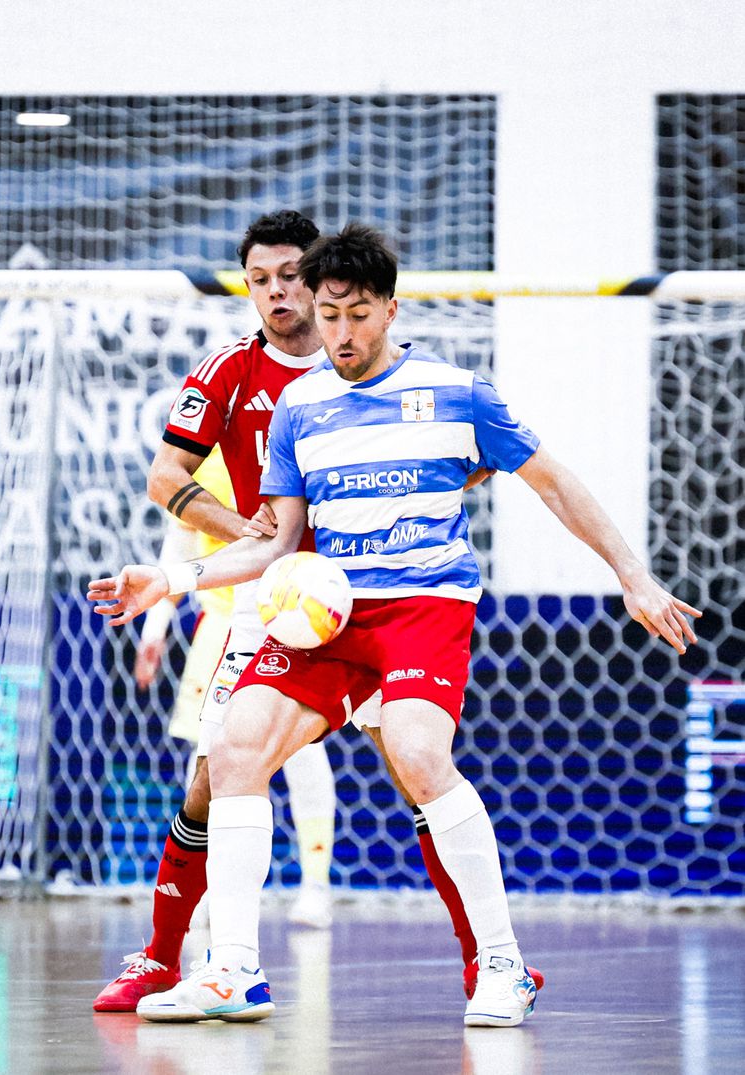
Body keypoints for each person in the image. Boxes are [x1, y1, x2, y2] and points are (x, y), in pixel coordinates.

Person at [89, 223, 701, 1028]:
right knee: (234, 743)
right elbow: (273, 539)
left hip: (422, 608)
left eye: (357, 315)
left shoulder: (458, 392)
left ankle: (501, 962)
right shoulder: (300, 407)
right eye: (330, 314)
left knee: (416, 752)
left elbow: (555, 483)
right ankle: (231, 968)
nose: (340, 333)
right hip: (327, 610)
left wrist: (634, 576)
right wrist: (169, 578)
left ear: (390, 309)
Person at [93, 211, 511, 1013]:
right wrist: (241, 533)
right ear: (247, 286)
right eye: (261, 279)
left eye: (292, 275)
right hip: (278, 595)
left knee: (418, 770)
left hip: (384, 595)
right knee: (218, 767)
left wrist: (428, 493)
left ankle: (486, 963)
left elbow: (476, 455)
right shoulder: (232, 373)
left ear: (324, 282)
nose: (278, 291)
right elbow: (164, 477)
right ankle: (165, 955)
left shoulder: (373, 363)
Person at [134, 445, 337, 930]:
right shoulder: (207, 459)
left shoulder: (305, 444)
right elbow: (178, 544)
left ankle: (315, 884)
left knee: (302, 751)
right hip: (223, 620)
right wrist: (154, 629)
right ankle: (202, 890)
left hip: (296, 619)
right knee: (208, 757)